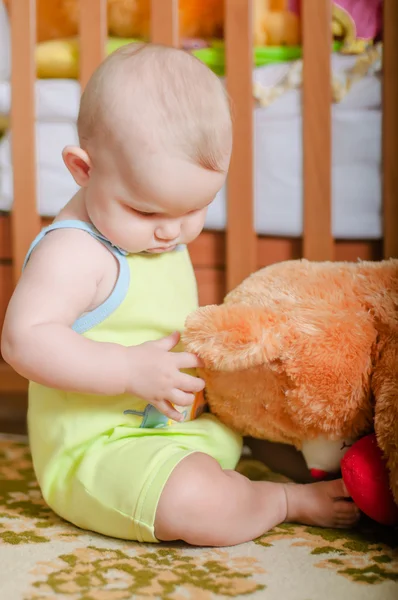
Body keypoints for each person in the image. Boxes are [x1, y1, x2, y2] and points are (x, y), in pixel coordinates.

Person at [1, 44, 360, 546]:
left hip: (187, 422)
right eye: (147, 212)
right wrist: (127, 370)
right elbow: (23, 340)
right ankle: (282, 501)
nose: (171, 232)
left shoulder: (151, 225)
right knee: (194, 501)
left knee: (298, 400)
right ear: (83, 170)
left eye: (196, 208)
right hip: (108, 454)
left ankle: (333, 467)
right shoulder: (74, 253)